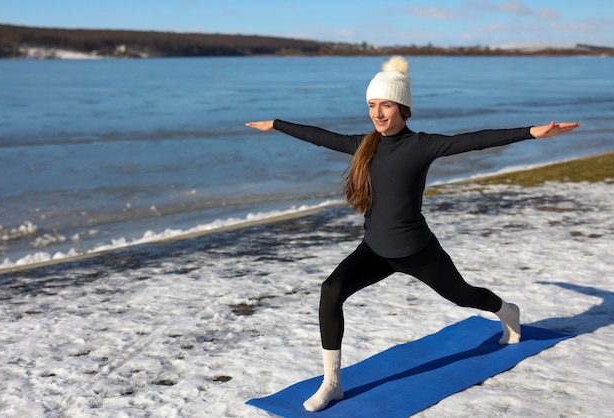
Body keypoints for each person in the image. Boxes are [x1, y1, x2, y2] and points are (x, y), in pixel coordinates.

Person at [245, 56, 579, 412]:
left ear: (402, 108)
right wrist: (277, 124)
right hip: (375, 250)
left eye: (385, 105)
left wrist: (532, 132)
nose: (377, 113)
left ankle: (506, 309)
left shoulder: (422, 145)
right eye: (372, 105)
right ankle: (332, 383)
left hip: (418, 251)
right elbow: (322, 137)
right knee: (331, 290)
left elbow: (477, 140)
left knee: (464, 296)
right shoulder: (365, 145)